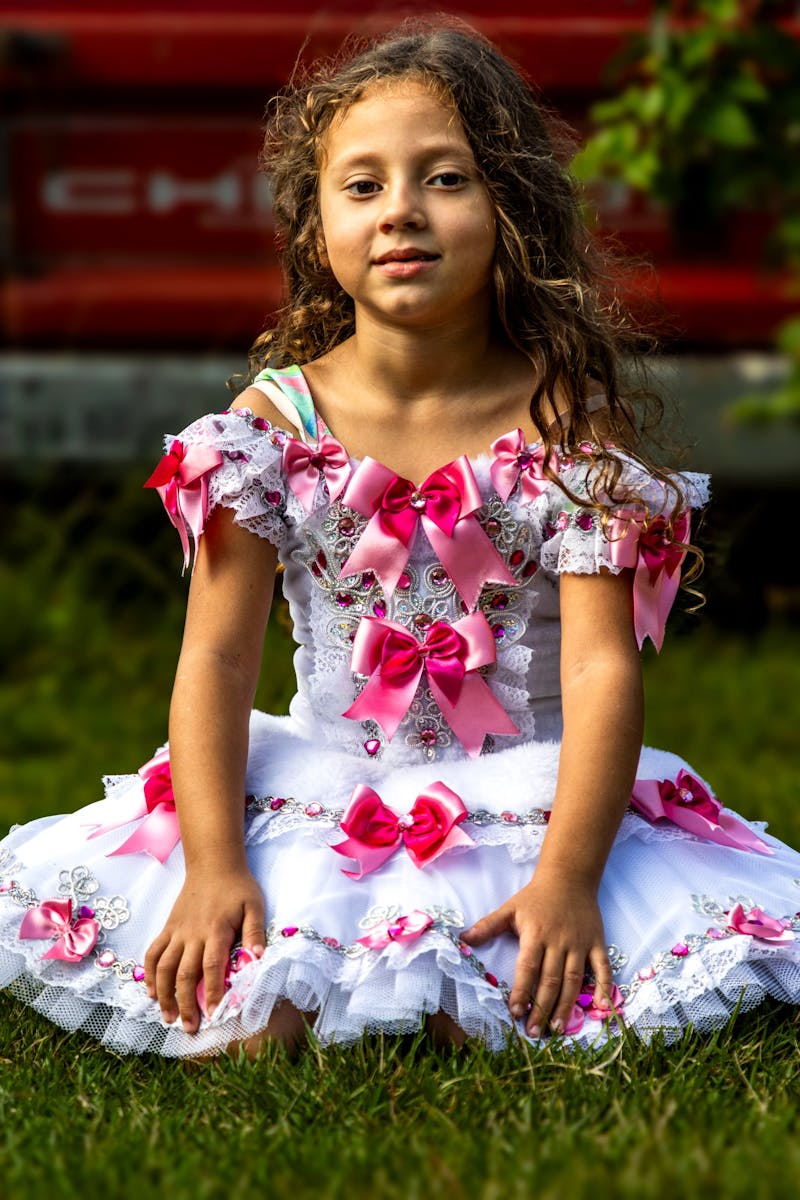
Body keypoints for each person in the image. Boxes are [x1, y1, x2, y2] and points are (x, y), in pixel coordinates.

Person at [2, 20, 798, 1060]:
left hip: (527, 796)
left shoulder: (562, 423)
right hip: (322, 787)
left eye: (444, 179)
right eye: (362, 186)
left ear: (508, 210)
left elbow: (601, 666)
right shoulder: (272, 423)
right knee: (256, 1022)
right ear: (313, 229)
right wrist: (213, 866)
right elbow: (216, 654)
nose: (401, 214)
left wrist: (563, 880)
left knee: (519, 1006)